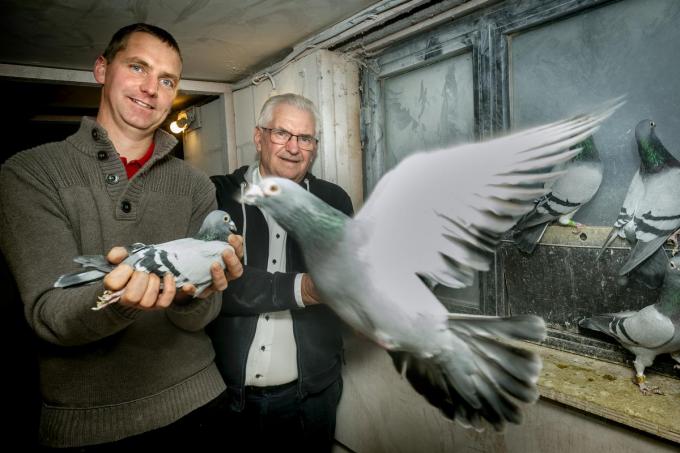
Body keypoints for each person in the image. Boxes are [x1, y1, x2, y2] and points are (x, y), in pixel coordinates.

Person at [0, 23, 244, 450]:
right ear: (101, 69)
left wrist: (194, 293)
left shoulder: (196, 185)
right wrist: (121, 302)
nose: (151, 88)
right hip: (92, 426)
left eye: (167, 80)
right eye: (137, 67)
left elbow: (205, 314)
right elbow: (49, 314)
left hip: (202, 400)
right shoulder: (29, 173)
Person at [209, 93, 354, 451]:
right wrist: (305, 287)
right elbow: (211, 287)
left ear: (314, 147)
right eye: (282, 134)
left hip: (312, 396)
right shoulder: (217, 195)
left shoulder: (333, 200)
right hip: (226, 394)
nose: (294, 147)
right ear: (259, 137)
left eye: (305, 138)